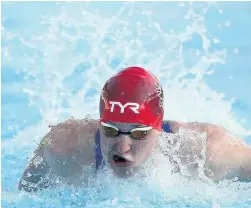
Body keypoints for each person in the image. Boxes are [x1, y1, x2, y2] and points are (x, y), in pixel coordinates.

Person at [18, 66, 251, 192]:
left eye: (138, 133)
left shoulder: (207, 152)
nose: (122, 146)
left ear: (157, 128)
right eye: (110, 129)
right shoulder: (63, 148)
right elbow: (23, 196)